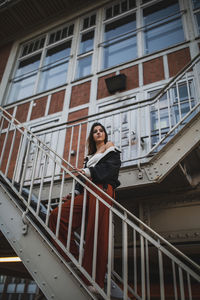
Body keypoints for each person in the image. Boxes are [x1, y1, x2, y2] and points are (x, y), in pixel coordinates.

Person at [49, 122, 121, 290]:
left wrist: (89, 172)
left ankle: (94, 281)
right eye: (95, 131)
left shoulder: (112, 151)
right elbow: (82, 179)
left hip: (102, 190)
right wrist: (75, 193)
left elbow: (111, 171)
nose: (98, 133)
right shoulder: (89, 158)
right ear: (92, 136)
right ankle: (72, 256)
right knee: (58, 215)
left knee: (95, 233)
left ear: (104, 134)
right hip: (86, 192)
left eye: (101, 130)